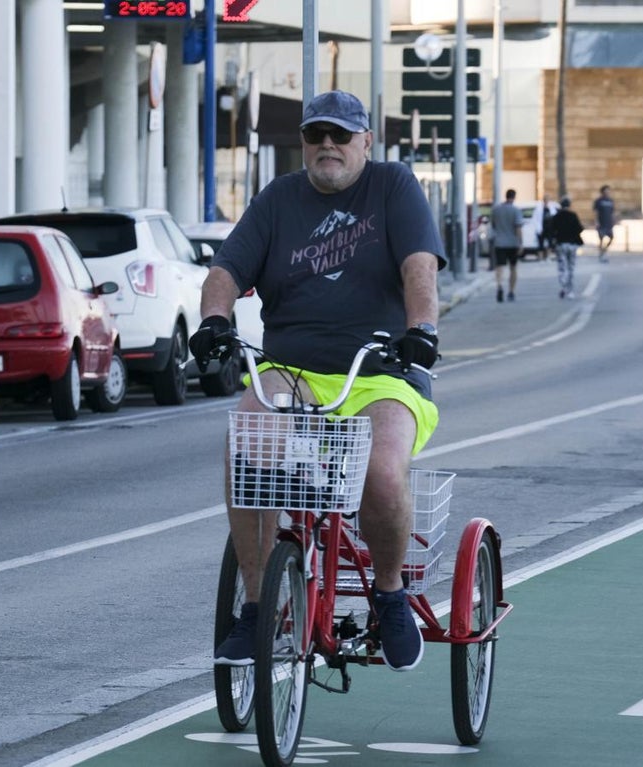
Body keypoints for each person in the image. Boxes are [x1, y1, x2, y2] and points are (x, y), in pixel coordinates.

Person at [191, 90, 446, 672]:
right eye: (315, 134)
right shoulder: (280, 198)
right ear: (303, 141)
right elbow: (227, 269)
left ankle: (388, 594)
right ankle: (257, 607)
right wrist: (213, 319)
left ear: (365, 141)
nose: (326, 144)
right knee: (247, 450)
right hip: (293, 370)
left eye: (340, 133)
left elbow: (419, 267)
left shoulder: (393, 186)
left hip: (380, 370)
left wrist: (422, 328)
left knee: (381, 474)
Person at [489, 188, 523, 302]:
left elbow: (493, 226)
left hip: (499, 243)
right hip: (513, 243)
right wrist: (520, 243)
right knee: (513, 268)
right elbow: (518, 228)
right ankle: (511, 291)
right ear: (514, 197)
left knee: (500, 267)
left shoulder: (496, 210)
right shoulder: (516, 211)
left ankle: (499, 286)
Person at [551, 196, 584, 299]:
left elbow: (551, 230)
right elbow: (579, 228)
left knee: (562, 267)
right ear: (569, 205)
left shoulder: (556, 216)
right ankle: (570, 289)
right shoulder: (573, 215)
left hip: (560, 244)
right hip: (572, 244)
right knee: (571, 267)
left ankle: (563, 286)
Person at [531, 195, 559, 260]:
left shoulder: (551, 207)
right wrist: (537, 227)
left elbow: (554, 216)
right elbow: (535, 218)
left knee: (549, 243)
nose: (546, 200)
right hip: (541, 228)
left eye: (547, 199)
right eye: (545, 199)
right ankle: (540, 257)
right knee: (540, 243)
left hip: (549, 228)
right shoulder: (539, 207)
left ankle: (548, 256)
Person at [593, 185, 615, 263]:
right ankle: (601, 254)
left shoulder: (610, 201)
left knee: (611, 238)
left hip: (608, 223)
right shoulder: (598, 201)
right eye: (606, 190)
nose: (608, 192)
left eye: (608, 190)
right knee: (601, 239)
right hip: (601, 223)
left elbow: (612, 212)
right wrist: (596, 222)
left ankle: (604, 250)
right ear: (602, 191)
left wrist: (613, 221)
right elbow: (596, 212)